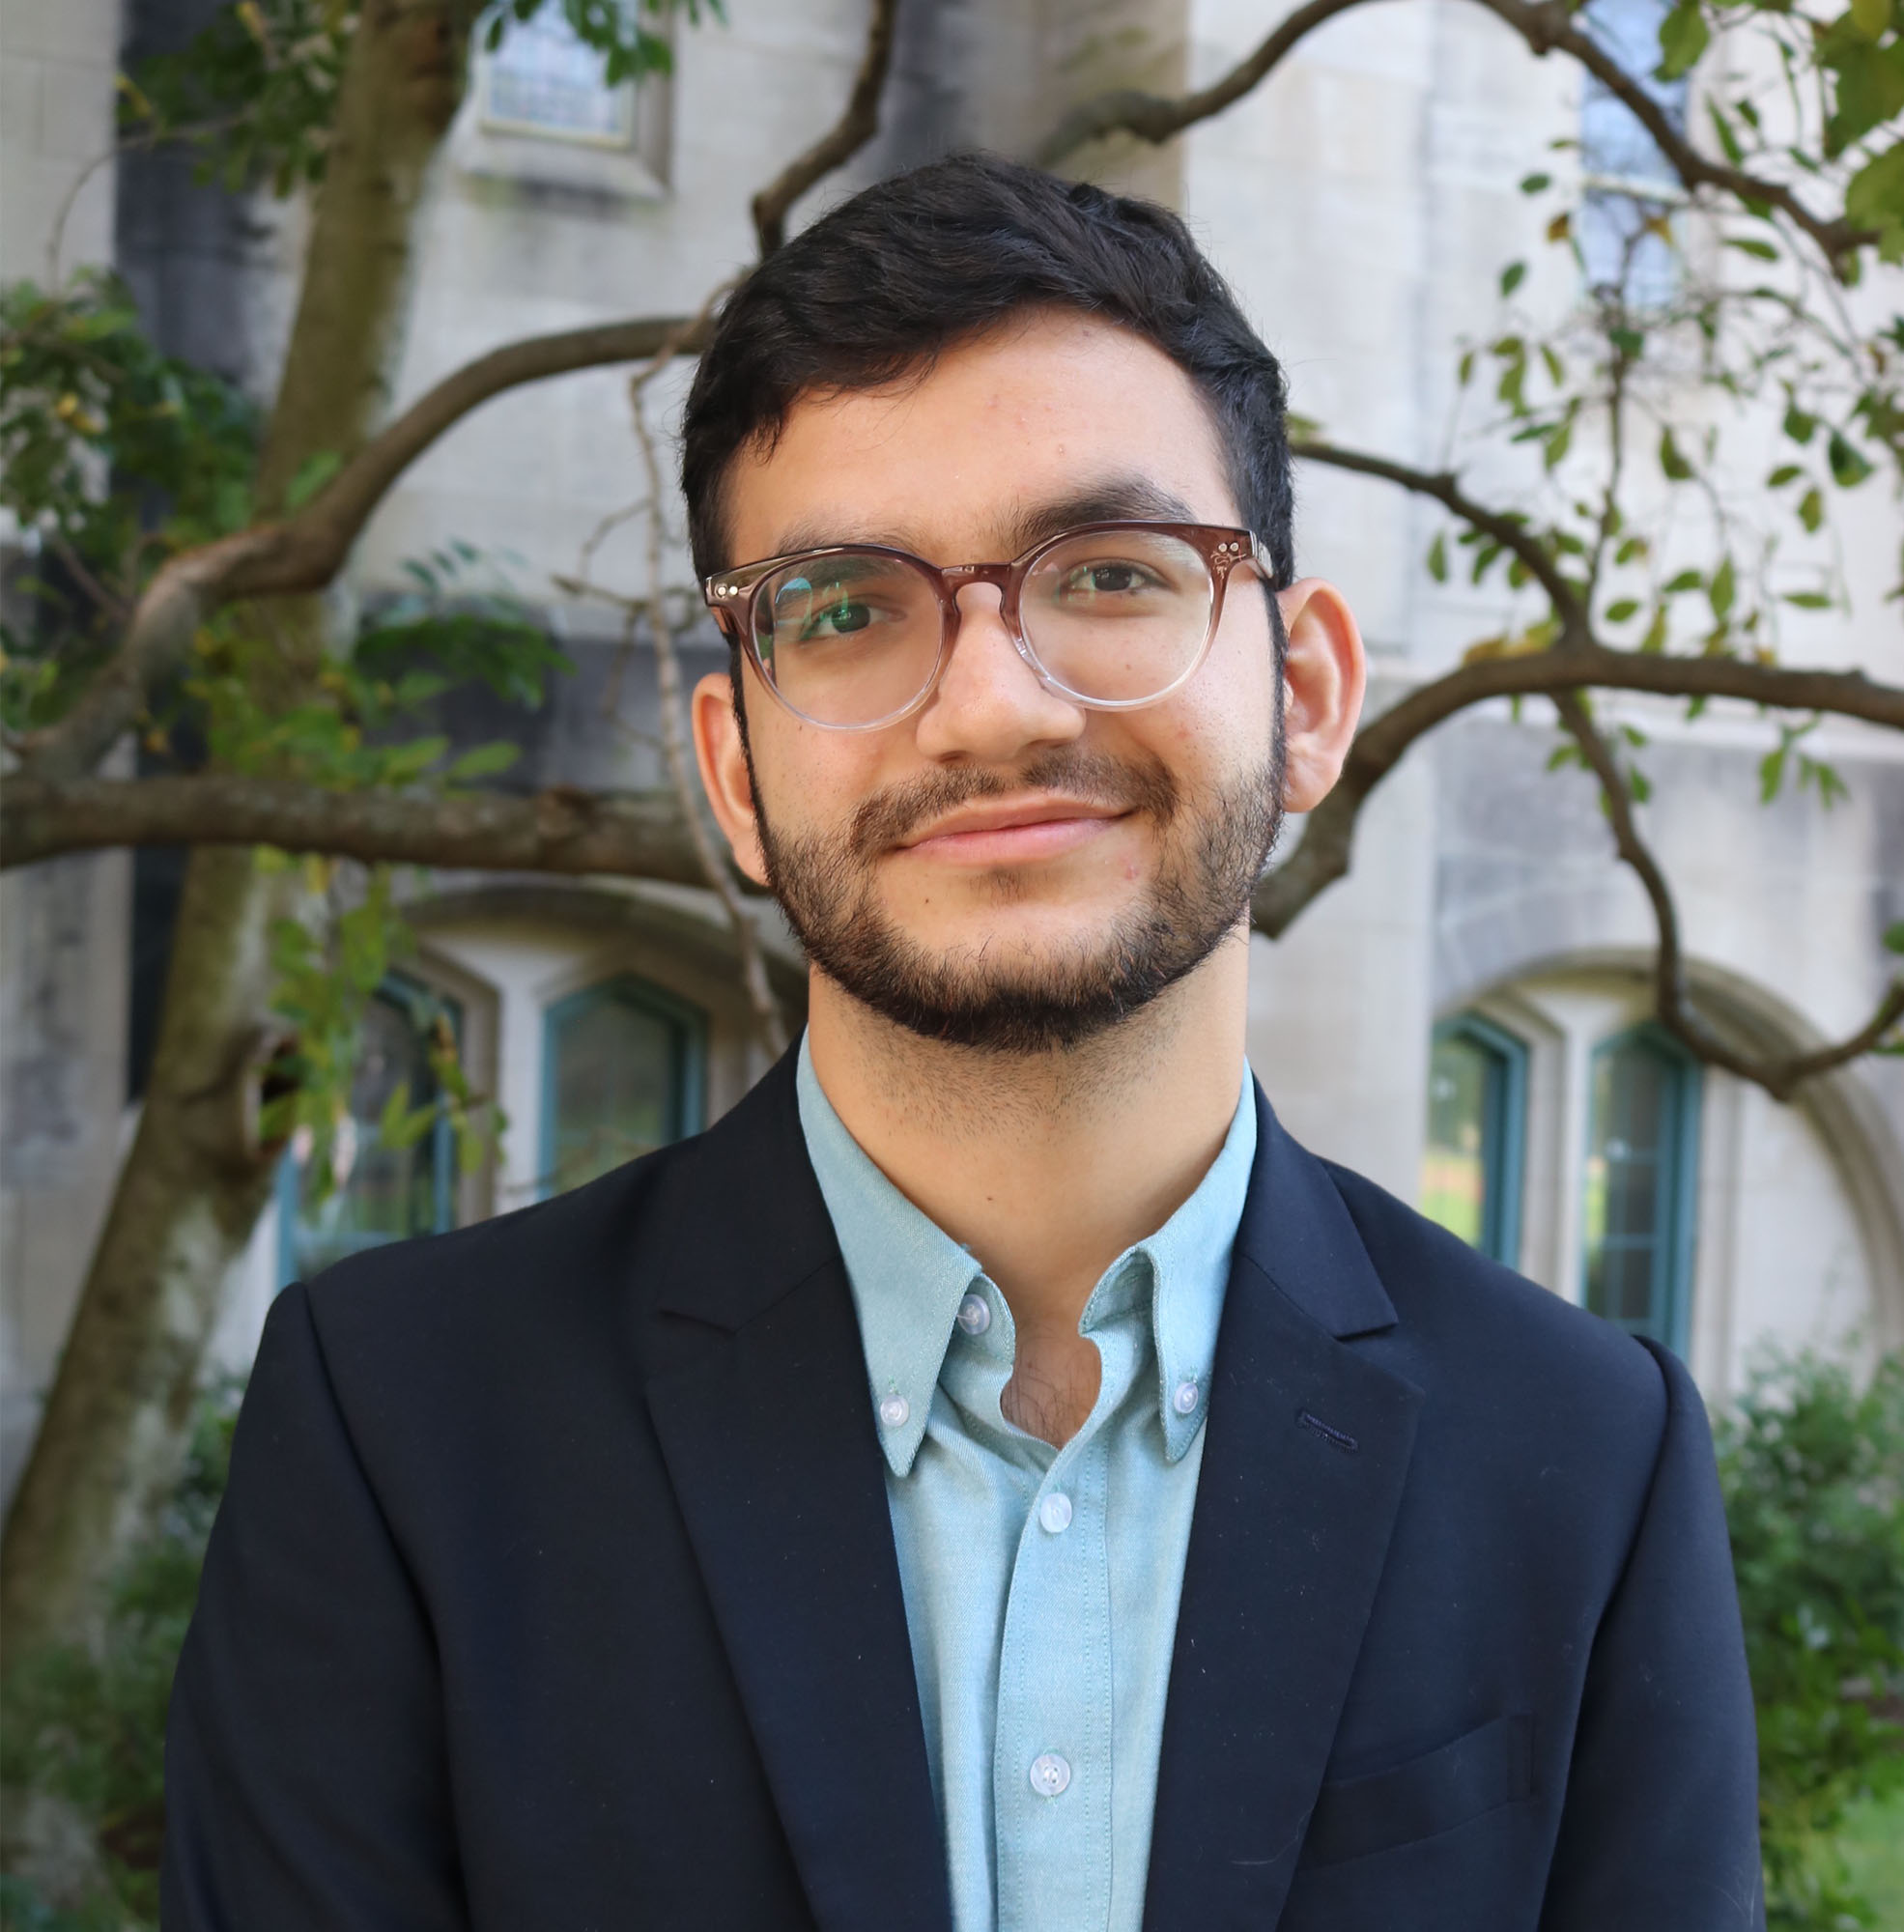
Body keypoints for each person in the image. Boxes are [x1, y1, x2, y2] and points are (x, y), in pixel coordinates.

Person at [161, 154, 1763, 1931]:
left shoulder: (1586, 1460)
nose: (994, 697)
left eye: (1113, 573)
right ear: (734, 773)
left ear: (1305, 698)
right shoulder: (401, 1433)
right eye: (845, 608)